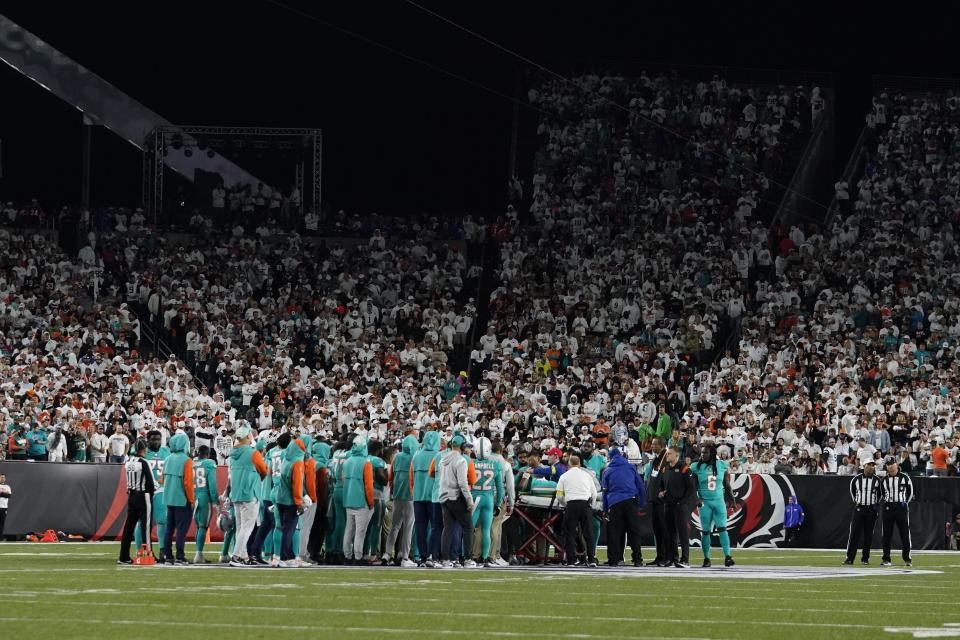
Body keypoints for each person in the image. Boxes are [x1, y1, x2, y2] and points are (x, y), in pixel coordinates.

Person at [228, 426, 269, 566]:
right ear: (247, 437)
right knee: (247, 527)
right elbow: (264, 470)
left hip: (236, 493)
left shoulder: (232, 454)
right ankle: (236, 556)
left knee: (240, 527)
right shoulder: (253, 453)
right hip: (250, 492)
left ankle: (244, 556)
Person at [691, 446, 735, 568]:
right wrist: (697, 497)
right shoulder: (696, 466)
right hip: (705, 502)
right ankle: (707, 558)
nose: (702, 454)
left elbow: (726, 484)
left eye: (705, 452)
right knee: (705, 531)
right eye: (702, 452)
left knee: (722, 528)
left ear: (712, 453)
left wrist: (732, 498)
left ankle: (728, 556)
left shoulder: (721, 465)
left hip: (719, 501)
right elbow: (693, 485)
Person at [601, 446, 646, 567]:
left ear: (610, 457)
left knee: (614, 532)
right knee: (634, 532)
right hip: (631, 501)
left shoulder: (607, 471)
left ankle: (613, 560)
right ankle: (637, 559)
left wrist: (605, 509)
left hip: (614, 503)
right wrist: (641, 503)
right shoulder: (631, 467)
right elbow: (640, 486)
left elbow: (605, 491)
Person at [438, 434, 475, 568]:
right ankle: (468, 559)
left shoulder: (442, 459)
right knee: (468, 527)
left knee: (447, 528)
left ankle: (446, 559)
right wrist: (469, 501)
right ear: (462, 446)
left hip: (443, 496)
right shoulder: (461, 460)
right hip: (456, 496)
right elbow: (463, 484)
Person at [117, 440, 155, 564]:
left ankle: (123, 556)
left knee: (128, 528)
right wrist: (151, 494)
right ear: (144, 449)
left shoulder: (128, 462)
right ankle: (149, 554)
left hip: (131, 496)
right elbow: (150, 482)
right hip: (143, 496)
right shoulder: (144, 462)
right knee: (146, 526)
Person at [470, 437, 505, 567]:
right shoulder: (496, 464)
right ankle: (485, 558)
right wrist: (498, 504)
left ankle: (465, 556)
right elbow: (500, 488)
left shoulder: (471, 463)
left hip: (475, 498)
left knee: (469, 529)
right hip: (488, 499)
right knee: (486, 530)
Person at [660, 446, 697, 568]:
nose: (667, 455)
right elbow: (662, 485)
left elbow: (691, 488)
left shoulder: (685, 469)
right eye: (667, 453)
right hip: (668, 505)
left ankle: (685, 559)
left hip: (680, 506)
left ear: (676, 455)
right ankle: (672, 558)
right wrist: (661, 493)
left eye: (670, 454)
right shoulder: (665, 469)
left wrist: (683, 502)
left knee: (682, 533)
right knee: (670, 533)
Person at [160, 433, 194, 565]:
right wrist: (191, 500)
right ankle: (180, 556)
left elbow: (162, 480)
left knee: (169, 529)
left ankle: (168, 556)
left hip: (169, 499)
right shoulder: (187, 460)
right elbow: (188, 483)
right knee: (181, 529)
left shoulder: (167, 459)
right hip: (182, 499)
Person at [384, 434, 418, 567]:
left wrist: (393, 491)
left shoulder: (397, 457)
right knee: (408, 528)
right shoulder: (415, 458)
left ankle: (387, 554)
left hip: (397, 496)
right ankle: (404, 556)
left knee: (395, 526)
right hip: (410, 497)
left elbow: (391, 476)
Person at [341, 435, 375, 565]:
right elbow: (368, 486)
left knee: (348, 530)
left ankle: (347, 556)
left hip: (348, 500)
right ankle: (358, 557)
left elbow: (343, 479)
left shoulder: (347, 461)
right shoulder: (366, 463)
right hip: (362, 502)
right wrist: (371, 502)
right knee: (360, 532)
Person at [135, 431, 170, 554]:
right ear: (148, 440)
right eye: (153, 439)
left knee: (162, 520)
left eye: (158, 439)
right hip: (146, 491)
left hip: (161, 490)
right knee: (142, 522)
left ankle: (162, 549)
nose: (156, 442)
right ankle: (140, 550)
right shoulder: (143, 453)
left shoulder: (166, 451)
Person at [412, 430, 442, 567]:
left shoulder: (416, 456)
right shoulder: (438, 456)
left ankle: (422, 557)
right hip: (433, 497)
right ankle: (432, 555)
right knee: (435, 527)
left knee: (420, 527)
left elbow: (410, 478)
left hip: (417, 496)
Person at [844, 459, 882, 565]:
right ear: (863, 466)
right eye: (869, 465)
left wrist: (875, 505)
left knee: (868, 535)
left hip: (871, 510)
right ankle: (850, 558)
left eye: (872, 465)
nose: (871, 467)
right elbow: (852, 492)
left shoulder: (877, 480)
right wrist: (857, 502)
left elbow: (880, 495)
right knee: (854, 534)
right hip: (859, 509)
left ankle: (865, 558)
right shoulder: (856, 479)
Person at [277, 439, 307, 567]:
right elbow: (297, 484)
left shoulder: (286, 459)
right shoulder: (297, 462)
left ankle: (289, 556)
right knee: (289, 530)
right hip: (290, 501)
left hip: (281, 498)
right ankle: (284, 558)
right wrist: (299, 502)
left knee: (286, 529)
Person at [880, 456, 914, 567]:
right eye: (889, 464)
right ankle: (886, 559)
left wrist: (904, 503)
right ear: (887, 467)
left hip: (901, 507)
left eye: (892, 464)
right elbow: (882, 493)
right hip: (888, 508)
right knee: (886, 534)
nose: (891, 466)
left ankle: (907, 559)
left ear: (896, 465)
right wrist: (887, 503)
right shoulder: (884, 480)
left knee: (904, 533)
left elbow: (910, 492)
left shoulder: (905, 478)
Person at [643, 438, 669, 566]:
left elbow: (668, 479)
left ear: (662, 445)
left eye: (654, 444)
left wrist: (665, 492)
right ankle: (659, 556)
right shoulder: (657, 459)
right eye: (652, 444)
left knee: (663, 530)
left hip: (662, 502)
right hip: (654, 500)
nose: (652, 446)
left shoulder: (666, 458)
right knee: (657, 530)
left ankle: (666, 557)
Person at [191, 445, 219, 564]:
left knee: (199, 526)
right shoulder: (209, 463)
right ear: (207, 454)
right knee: (203, 526)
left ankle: (198, 553)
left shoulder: (193, 462)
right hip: (204, 496)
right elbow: (212, 484)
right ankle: (198, 554)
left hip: (194, 495)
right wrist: (215, 500)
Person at [0, 473, 10, 541]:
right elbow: (6, 495)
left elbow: (9, 496)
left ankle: (0, 538)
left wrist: (1, 494)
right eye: (1, 477)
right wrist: (4, 494)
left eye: (3, 477)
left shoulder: (7, 487)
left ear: (5, 478)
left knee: (2, 523)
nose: (2, 478)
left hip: (4, 508)